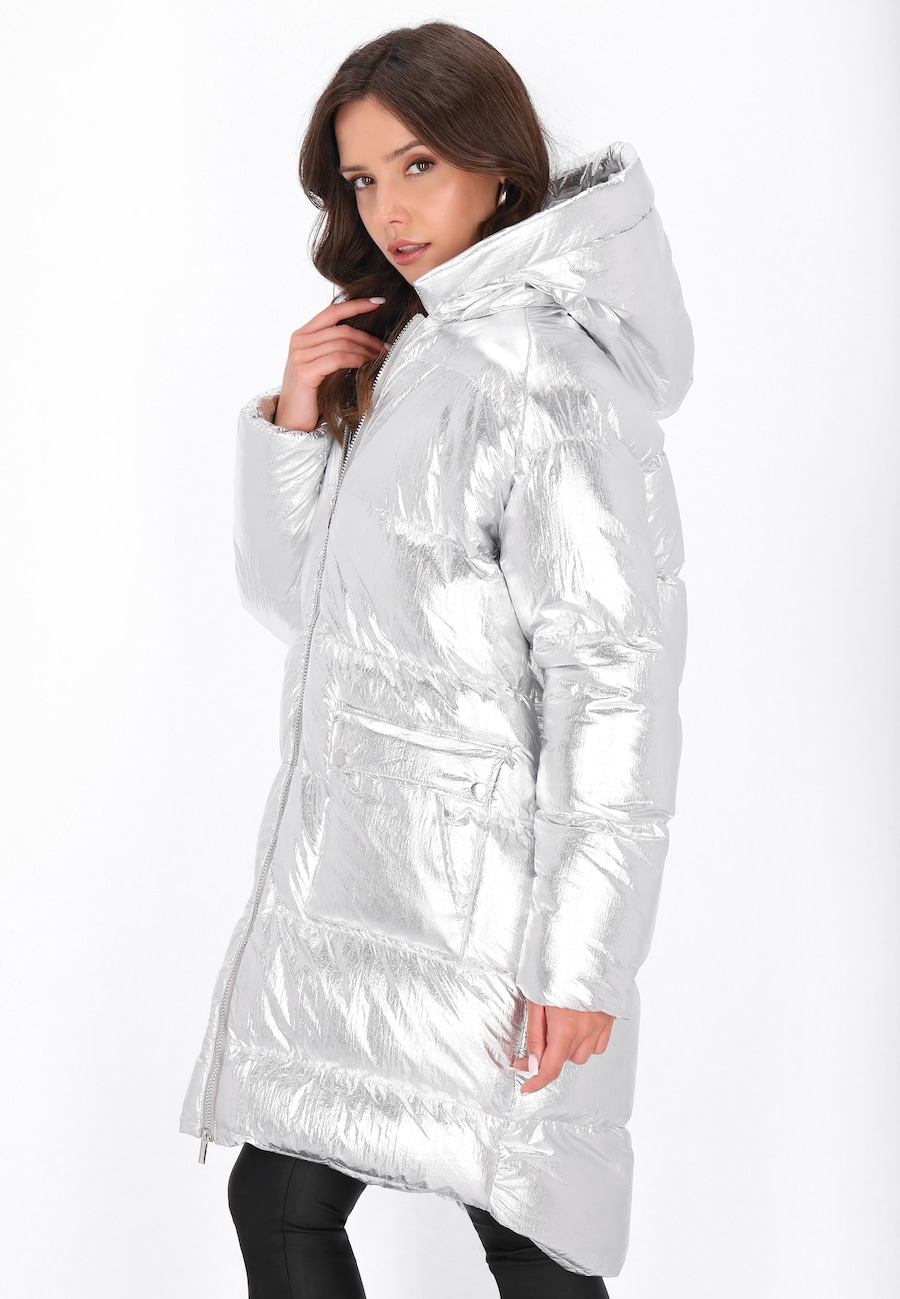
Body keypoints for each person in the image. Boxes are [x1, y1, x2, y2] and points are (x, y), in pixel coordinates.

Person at [179, 19, 693, 1297]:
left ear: (496, 167)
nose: (390, 210)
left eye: (419, 166)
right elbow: (307, 607)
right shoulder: (423, 346)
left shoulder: (547, 378)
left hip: (489, 902)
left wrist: (581, 959)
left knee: (519, 1222)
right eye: (363, 179)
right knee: (296, 1198)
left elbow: (614, 682)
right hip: (372, 886)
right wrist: (297, 419)